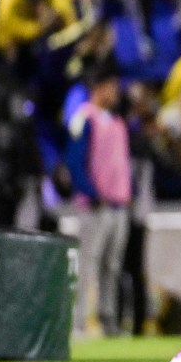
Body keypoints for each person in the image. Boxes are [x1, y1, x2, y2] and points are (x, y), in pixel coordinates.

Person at [66, 65, 132, 336]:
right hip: (95, 206)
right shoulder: (84, 119)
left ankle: (108, 319)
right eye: (110, 86)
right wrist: (92, 193)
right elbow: (74, 162)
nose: (115, 92)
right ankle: (79, 321)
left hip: (118, 204)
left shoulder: (116, 122)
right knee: (88, 263)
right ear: (98, 88)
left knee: (111, 266)